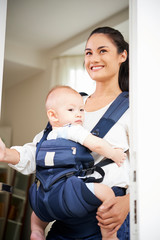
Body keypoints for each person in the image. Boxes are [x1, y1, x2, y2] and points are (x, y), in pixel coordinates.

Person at [0, 26, 130, 240]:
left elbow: (150, 170)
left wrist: (128, 202)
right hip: (66, 212)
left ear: (122, 55)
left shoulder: (133, 107)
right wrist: (7, 154)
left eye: (102, 51)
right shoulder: (71, 103)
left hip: (107, 217)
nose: (93, 58)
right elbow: (43, 150)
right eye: (88, 52)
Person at [29, 85, 126, 240]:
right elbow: (97, 145)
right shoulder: (73, 130)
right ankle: (109, 235)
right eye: (71, 110)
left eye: (81, 110)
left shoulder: (46, 136)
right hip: (68, 188)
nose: (79, 114)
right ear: (53, 115)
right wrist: (114, 154)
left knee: (38, 213)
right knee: (106, 192)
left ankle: (37, 231)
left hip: (46, 191)